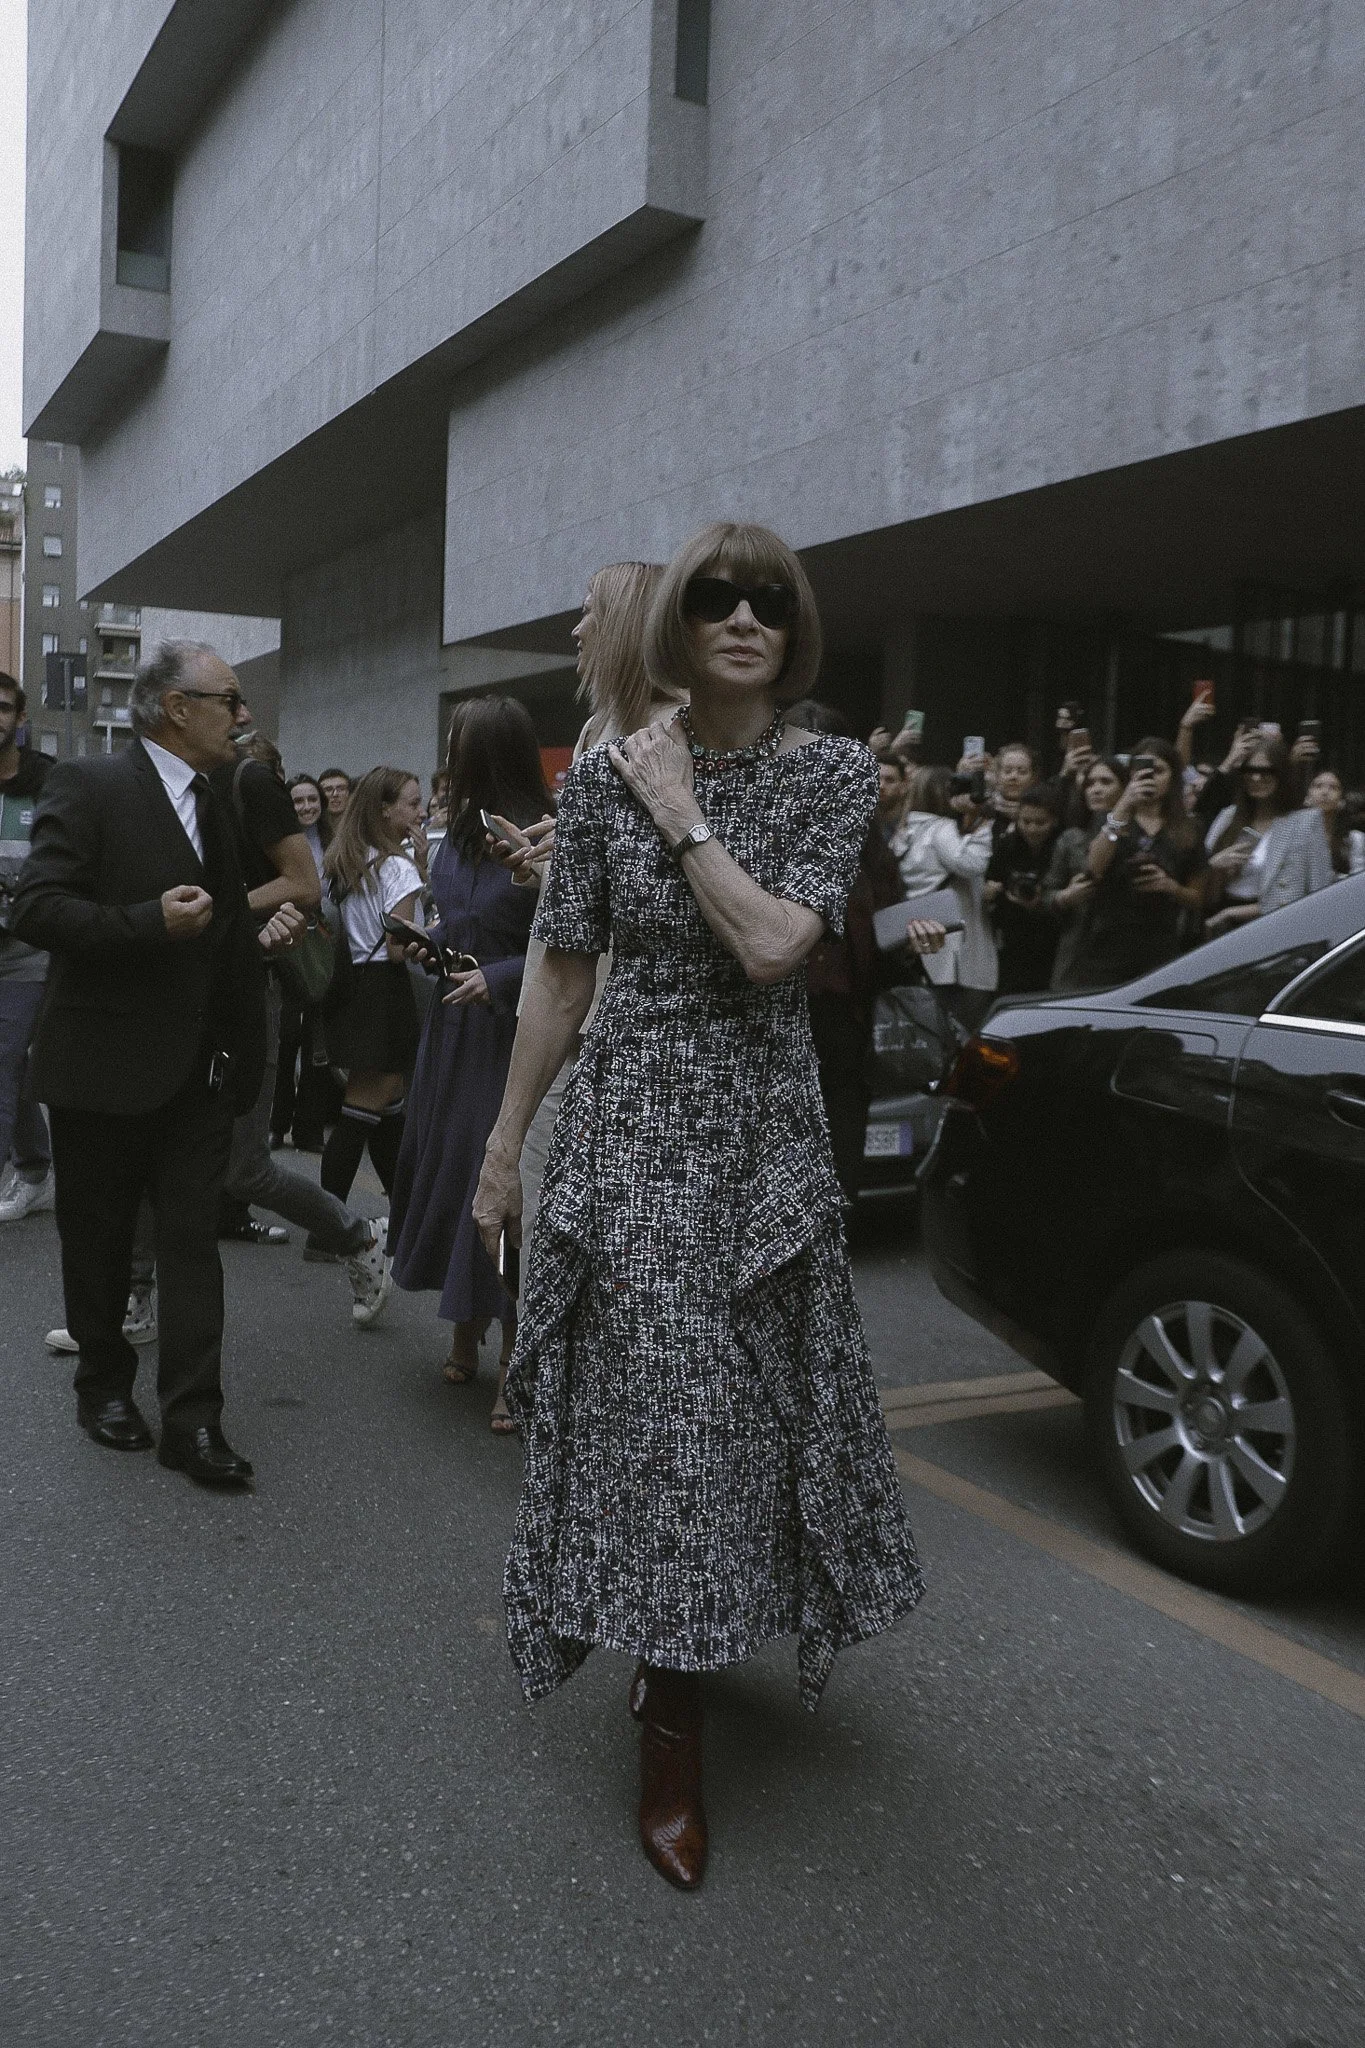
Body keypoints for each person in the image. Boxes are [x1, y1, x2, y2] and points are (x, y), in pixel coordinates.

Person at [472, 520, 923, 1893]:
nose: (740, 616)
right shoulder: (605, 775)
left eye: (767, 600)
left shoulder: (833, 773)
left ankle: (691, 1635)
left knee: (742, 1418)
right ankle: (672, 1718)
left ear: (796, 627)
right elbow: (559, 978)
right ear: (678, 617)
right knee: (663, 1418)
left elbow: (778, 944)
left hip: (756, 1140)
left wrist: (680, 808)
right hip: (630, 1136)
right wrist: (504, 1154)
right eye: (713, 597)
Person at [9, 641, 304, 1487]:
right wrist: (146, 921)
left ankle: (194, 1421)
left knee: (190, 1249)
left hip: (200, 1075)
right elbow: (38, 907)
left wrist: (252, 938)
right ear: (176, 707)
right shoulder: (92, 784)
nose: (243, 717)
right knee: (98, 1244)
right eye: (230, 700)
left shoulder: (221, 800)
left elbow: (217, 924)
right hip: (102, 1064)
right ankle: (103, 1386)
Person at [486, 560, 679, 1259]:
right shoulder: (601, 730)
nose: (577, 627)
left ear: (631, 626)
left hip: (619, 1049)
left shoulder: (679, 738)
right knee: (530, 1244)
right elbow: (591, 906)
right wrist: (553, 864)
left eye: (592, 609)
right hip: (558, 1025)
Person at [387, 701, 546, 1426]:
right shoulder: (451, 841)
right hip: (450, 1034)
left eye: (456, 744)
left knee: (505, 1196)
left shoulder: (538, 840)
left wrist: (501, 977)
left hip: (511, 1038)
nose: (445, 755)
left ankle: (519, 1357)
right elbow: (458, 921)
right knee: (452, 1179)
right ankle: (465, 1330)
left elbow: (571, 949)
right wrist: (429, 941)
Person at [208, 734, 392, 1317]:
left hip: (254, 989)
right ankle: (132, 1294)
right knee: (155, 1150)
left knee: (246, 1169)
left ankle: (359, 1235)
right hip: (191, 993)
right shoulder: (181, 793)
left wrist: (224, 908)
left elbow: (306, 888)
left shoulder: (249, 785)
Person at [790, 700, 905, 1201]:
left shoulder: (864, 836)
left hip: (843, 1017)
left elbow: (888, 925)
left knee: (838, 1181)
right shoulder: (754, 827)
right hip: (772, 1015)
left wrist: (914, 938)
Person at [319, 767, 424, 1206]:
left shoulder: (345, 859)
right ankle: (328, 1227)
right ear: (385, 810)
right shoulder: (396, 866)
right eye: (412, 804)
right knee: (363, 1107)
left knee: (388, 1104)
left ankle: (404, 1216)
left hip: (351, 986)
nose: (420, 813)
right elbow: (401, 947)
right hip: (384, 989)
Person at [1070, 737, 1206, 987]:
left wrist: (1169, 886)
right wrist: (1123, 806)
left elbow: (1198, 897)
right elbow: (1093, 867)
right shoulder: (1108, 818)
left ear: (1173, 777)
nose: (1150, 778)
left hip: (1161, 945)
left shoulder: (1189, 828)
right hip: (1107, 944)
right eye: (1142, 771)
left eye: (1159, 771)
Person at [0, 672, 55, 1224]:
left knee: (2, 1060)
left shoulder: (48, 782)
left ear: (19, 718)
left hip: (27, 950)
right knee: (9, 1067)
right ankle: (35, 1169)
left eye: (2, 707)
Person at [270, 776, 339, 1151]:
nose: (307, 806)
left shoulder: (335, 843)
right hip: (288, 945)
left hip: (325, 946)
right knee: (286, 1040)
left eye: (313, 799)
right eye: (299, 801)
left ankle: (309, 1128)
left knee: (319, 1044)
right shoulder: (282, 843)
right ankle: (276, 1124)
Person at [1204, 736, 1333, 934]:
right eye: (1250, 771)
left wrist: (1235, 913)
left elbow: (1318, 893)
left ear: (1282, 774)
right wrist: (1215, 866)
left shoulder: (1305, 823)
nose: (1257, 778)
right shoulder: (1228, 816)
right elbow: (1199, 888)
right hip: (1220, 925)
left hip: (1276, 927)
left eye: (1266, 772)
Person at [1043, 754, 1127, 989]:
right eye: (1090, 783)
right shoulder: (1072, 838)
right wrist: (1064, 897)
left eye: (1106, 782)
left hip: (1126, 944)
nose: (1096, 789)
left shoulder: (1140, 835)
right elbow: (1047, 892)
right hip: (1079, 946)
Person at [985, 782, 1062, 994]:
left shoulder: (1061, 846)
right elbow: (991, 880)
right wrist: (992, 892)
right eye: (1026, 822)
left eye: (1040, 822)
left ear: (1054, 821)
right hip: (1012, 938)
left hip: (1052, 939)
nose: (1032, 829)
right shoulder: (1007, 845)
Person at [1304, 767, 1365, 877]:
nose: (1325, 792)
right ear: (1307, 796)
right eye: (1318, 786)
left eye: (1333, 788)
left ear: (1341, 800)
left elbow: (1358, 880)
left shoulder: (1355, 839)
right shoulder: (1294, 836)